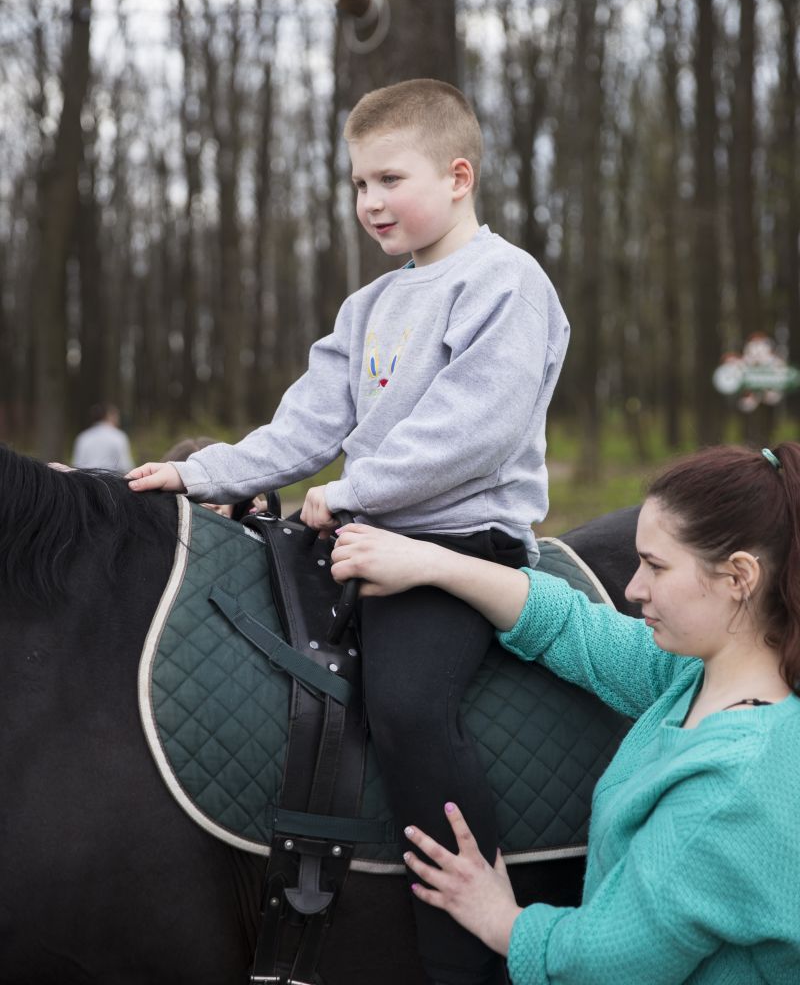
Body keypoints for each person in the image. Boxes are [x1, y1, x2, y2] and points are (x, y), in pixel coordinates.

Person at [127, 78, 570, 985]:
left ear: (457, 176)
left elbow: (474, 427)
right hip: (362, 527)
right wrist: (202, 472)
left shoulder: (506, 282)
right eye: (357, 185)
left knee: (408, 706)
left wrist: (354, 489)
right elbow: (304, 425)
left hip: (458, 544)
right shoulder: (368, 308)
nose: (369, 202)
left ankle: (471, 945)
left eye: (388, 179)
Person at [329, 443, 800, 984]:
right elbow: (574, 628)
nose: (632, 588)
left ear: (739, 577)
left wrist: (502, 919)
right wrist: (433, 563)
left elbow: (608, 963)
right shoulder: (694, 679)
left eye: (656, 566)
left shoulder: (729, 788)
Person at [71, 403, 134, 472]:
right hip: (110, 481)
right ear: (108, 416)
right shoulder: (118, 436)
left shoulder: (83, 437)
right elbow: (125, 465)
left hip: (86, 481)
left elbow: (77, 465)